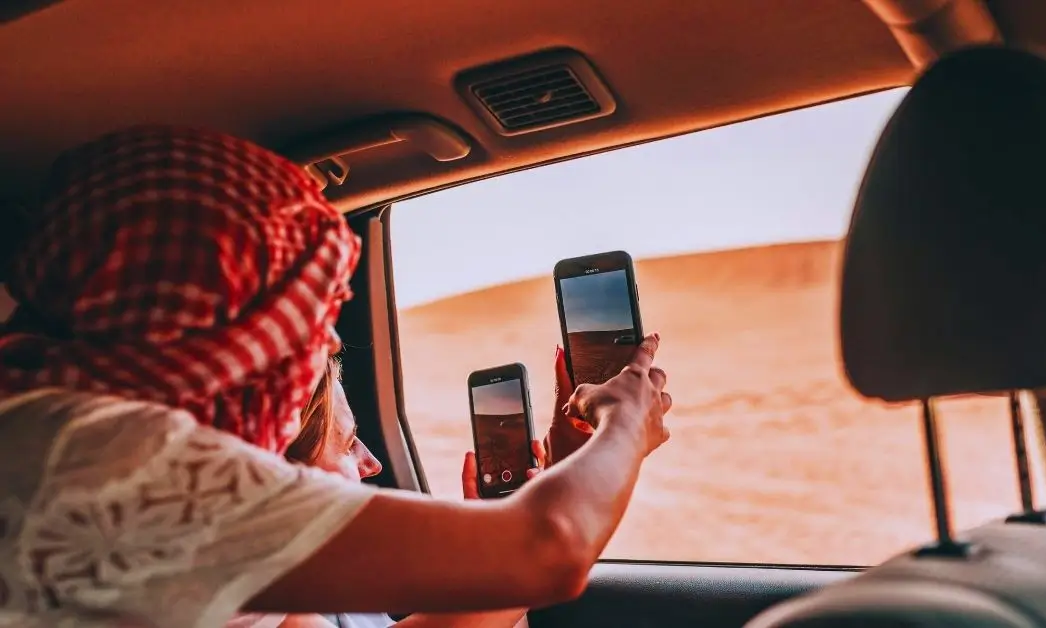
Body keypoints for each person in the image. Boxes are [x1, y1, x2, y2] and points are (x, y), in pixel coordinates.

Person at [0, 125, 672, 626]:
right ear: (225, 315)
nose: (314, 344)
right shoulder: (84, 457)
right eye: (301, 315)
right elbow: (550, 547)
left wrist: (569, 465)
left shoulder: (86, 448)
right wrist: (625, 424)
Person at [233, 356, 552, 628]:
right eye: (346, 444)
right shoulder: (240, 596)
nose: (372, 463)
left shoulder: (341, 580)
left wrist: (492, 540)